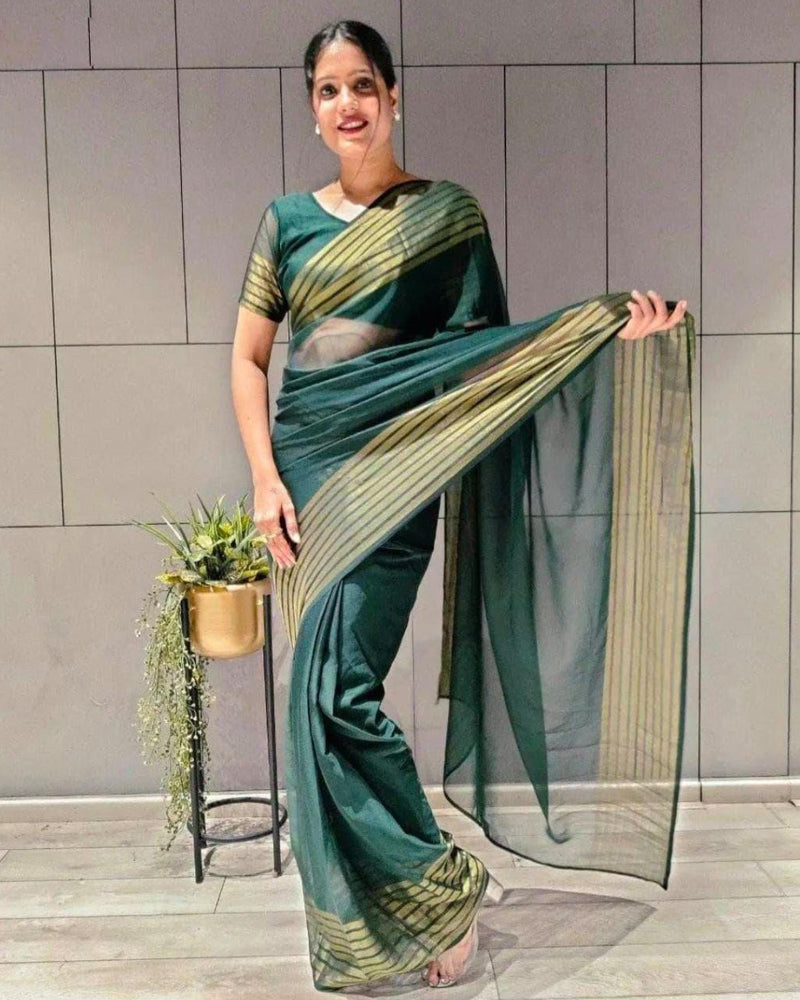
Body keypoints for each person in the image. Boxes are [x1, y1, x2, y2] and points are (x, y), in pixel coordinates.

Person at [230, 19, 694, 993]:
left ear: (394, 97)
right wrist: (265, 479)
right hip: (304, 479)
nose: (347, 104)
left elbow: (483, 357)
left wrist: (597, 332)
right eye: (327, 89)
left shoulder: (445, 215)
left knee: (337, 692)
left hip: (394, 478)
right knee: (313, 706)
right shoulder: (285, 222)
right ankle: (390, 914)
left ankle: (443, 892)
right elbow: (248, 358)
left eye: (363, 84)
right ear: (311, 109)